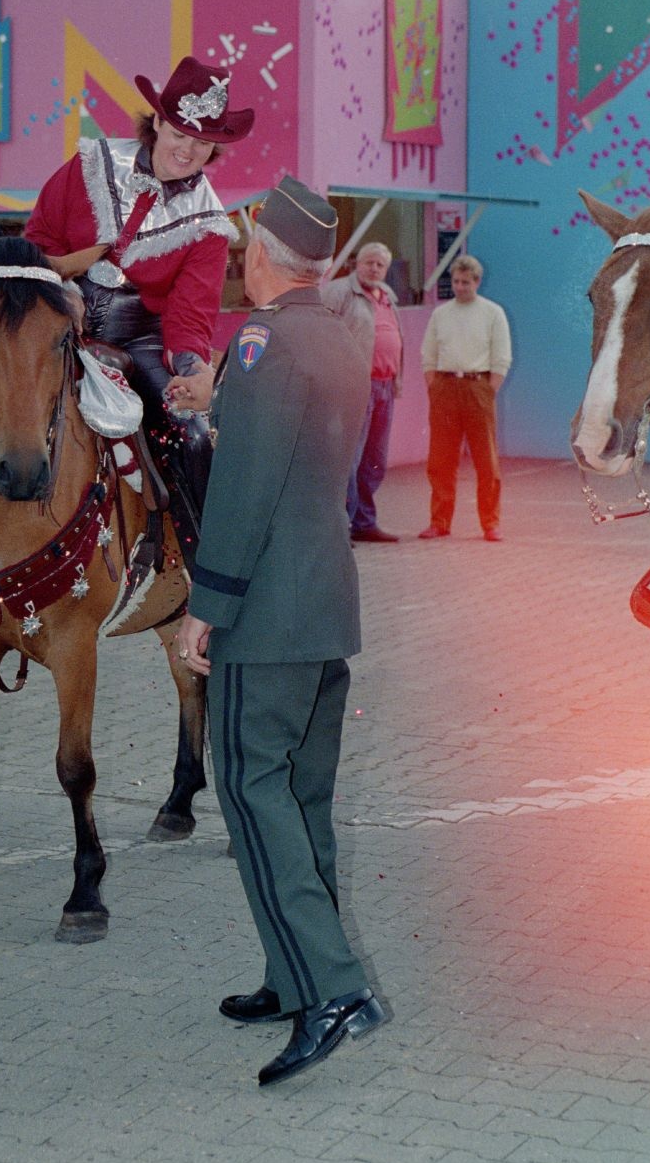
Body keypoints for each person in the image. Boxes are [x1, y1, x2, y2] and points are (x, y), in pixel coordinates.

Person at [175, 176, 386, 1088]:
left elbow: (247, 491)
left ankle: (332, 988)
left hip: (264, 617)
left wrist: (205, 606)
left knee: (254, 798)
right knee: (301, 805)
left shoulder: (261, 341)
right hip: (325, 606)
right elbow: (311, 463)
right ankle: (292, 973)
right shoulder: (340, 335)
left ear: (261, 251)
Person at [0, 55, 254, 568]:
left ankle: (206, 572)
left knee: (192, 435)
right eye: (180, 133)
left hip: (146, 339)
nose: (188, 150)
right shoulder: (90, 164)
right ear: (158, 122)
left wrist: (192, 367)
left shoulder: (210, 223)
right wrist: (59, 297)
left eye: (202, 143)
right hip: (60, 320)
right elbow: (40, 239)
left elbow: (189, 313)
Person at [419, 253, 512, 542]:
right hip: (446, 387)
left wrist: (486, 389)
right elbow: (428, 355)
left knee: (486, 460)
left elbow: (501, 357)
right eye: (456, 281)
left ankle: (490, 523)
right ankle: (440, 521)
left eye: (465, 282)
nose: (459, 287)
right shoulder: (440, 314)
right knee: (441, 459)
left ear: (477, 282)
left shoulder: (492, 313)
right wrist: (435, 387)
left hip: (478, 386)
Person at [321, 241, 404, 542]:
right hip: (355, 387)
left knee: (375, 459)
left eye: (380, 264)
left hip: (385, 386)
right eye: (369, 262)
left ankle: (365, 523)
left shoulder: (388, 297)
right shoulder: (338, 291)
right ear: (357, 262)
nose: (374, 268)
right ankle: (340, 528)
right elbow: (323, 337)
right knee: (350, 459)